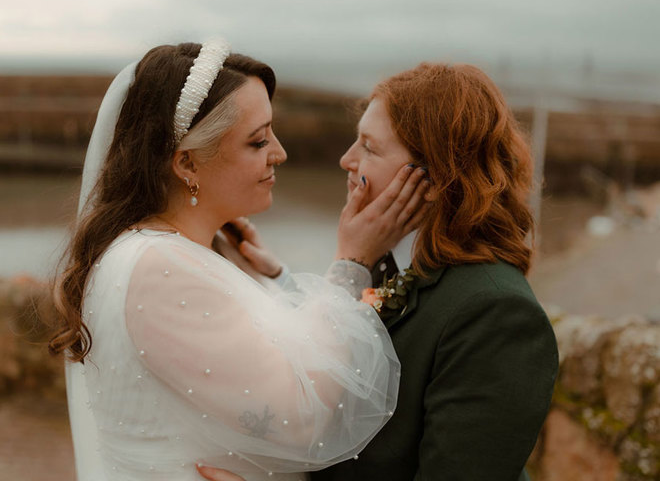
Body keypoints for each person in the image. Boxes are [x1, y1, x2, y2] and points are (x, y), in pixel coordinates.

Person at [47, 39, 430, 481]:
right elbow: (301, 422)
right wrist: (352, 260)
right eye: (258, 140)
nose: (280, 153)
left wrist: (275, 279)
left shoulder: (166, 252)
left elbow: (258, 358)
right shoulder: (162, 270)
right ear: (187, 163)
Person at [198, 63, 559, 481]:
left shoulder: (497, 314)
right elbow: (343, 346)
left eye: (369, 147)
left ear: (437, 174)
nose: (346, 160)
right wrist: (278, 278)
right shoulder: (391, 267)